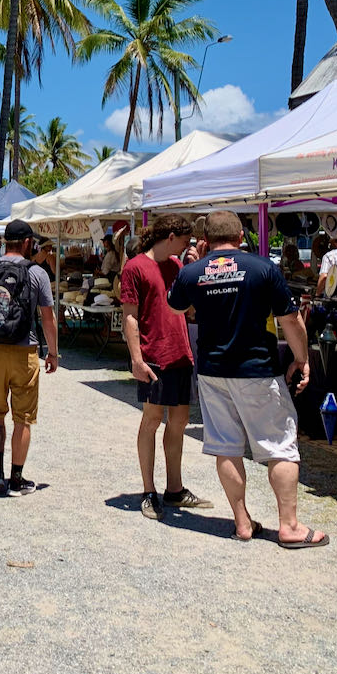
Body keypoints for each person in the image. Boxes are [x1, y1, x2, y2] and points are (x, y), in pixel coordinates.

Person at [167, 212, 327, 547]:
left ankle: (241, 522)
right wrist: (302, 358)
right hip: (257, 369)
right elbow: (291, 319)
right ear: (241, 235)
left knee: (226, 447)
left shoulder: (193, 272)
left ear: (206, 239)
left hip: (213, 371)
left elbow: (177, 308)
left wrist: (194, 266)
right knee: (280, 446)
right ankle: (290, 526)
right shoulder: (262, 268)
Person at [122, 214, 214, 520]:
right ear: (171, 236)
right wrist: (136, 358)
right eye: (185, 241)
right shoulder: (135, 267)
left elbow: (189, 309)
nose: (186, 246)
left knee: (179, 421)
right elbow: (130, 316)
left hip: (180, 352)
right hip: (153, 354)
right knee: (152, 419)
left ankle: (174, 489)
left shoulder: (176, 267)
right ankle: (149, 491)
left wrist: (195, 266)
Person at [0, 220, 60, 494]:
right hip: (25, 351)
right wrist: (53, 352)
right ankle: (17, 478)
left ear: (6, 241)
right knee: (23, 417)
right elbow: (47, 317)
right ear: (28, 242)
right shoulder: (37, 274)